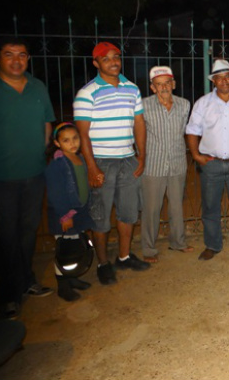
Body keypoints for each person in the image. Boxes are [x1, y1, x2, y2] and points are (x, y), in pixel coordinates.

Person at [74, 41, 150, 286]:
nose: (113, 61)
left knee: (128, 212)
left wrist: (142, 155)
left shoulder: (132, 89)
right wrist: (92, 167)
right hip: (102, 162)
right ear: (96, 63)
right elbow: (82, 135)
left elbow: (139, 123)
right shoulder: (87, 93)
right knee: (101, 217)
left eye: (116, 57)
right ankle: (103, 263)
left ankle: (124, 256)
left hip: (128, 159)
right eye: (106, 58)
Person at [0, 38, 55, 319]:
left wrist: (40, 151)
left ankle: (27, 280)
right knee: (7, 233)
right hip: (2, 177)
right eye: (9, 55)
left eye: (22, 55)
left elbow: (47, 124)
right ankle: (8, 294)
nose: (16, 60)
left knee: (28, 230)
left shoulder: (37, 87)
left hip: (34, 173)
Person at [186, 59, 229, 261]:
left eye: (228, 76)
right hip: (211, 164)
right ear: (213, 81)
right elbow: (192, 131)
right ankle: (212, 245)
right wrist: (196, 156)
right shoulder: (203, 103)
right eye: (219, 78)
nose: (224, 81)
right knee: (210, 207)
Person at [141, 66, 193, 264]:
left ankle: (178, 242)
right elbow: (137, 133)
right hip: (153, 164)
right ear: (152, 87)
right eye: (158, 84)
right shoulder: (143, 105)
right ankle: (148, 248)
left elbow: (183, 131)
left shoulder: (184, 104)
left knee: (177, 206)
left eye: (167, 83)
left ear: (174, 84)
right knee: (151, 208)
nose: (163, 87)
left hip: (177, 162)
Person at [45, 122, 95, 301]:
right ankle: (62, 285)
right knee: (65, 250)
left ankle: (72, 278)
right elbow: (56, 193)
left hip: (78, 212)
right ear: (57, 143)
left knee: (75, 246)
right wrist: (65, 215)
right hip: (64, 216)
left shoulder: (79, 158)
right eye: (66, 140)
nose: (72, 143)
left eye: (75, 138)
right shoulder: (58, 164)